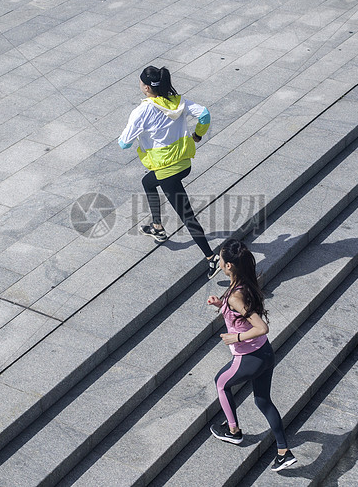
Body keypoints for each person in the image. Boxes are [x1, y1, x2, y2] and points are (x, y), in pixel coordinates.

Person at [119, 65, 221, 279]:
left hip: (167, 170)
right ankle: (157, 226)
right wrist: (198, 135)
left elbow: (124, 144)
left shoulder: (142, 111)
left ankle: (212, 259)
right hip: (184, 164)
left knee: (187, 216)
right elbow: (204, 115)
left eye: (140, 83)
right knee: (147, 182)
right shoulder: (178, 101)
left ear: (146, 88)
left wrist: (138, 133)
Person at [207, 239, 296, 472]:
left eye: (220, 259)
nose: (218, 261)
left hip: (249, 357)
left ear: (229, 266)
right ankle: (284, 452)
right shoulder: (243, 285)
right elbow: (241, 314)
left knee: (220, 383)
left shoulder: (236, 294)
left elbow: (261, 326)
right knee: (262, 400)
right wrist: (220, 305)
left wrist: (234, 338)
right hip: (265, 353)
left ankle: (233, 431)